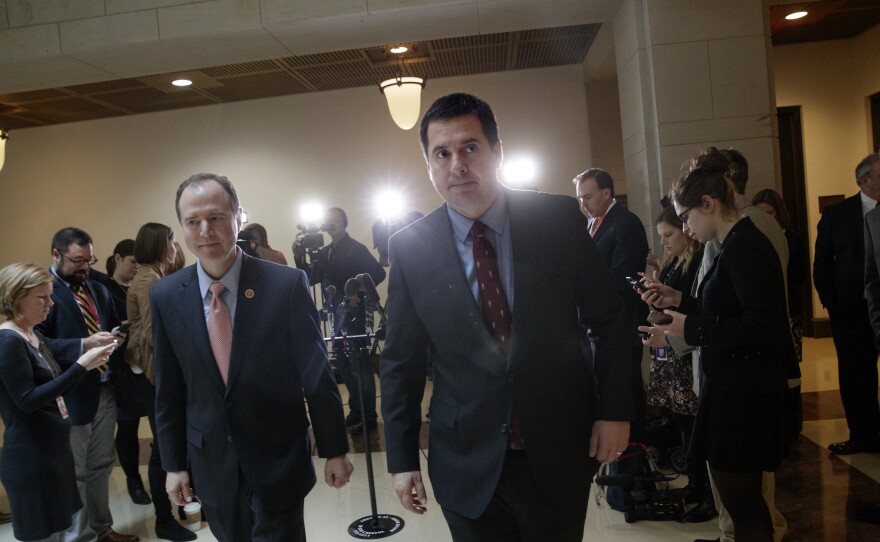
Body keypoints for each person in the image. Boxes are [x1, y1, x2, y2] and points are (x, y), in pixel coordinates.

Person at [380, 93, 632, 541]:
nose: (457, 164)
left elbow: (610, 320)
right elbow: (401, 360)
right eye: (442, 153)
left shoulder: (555, 219)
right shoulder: (410, 247)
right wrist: (401, 459)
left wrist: (615, 410)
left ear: (497, 152)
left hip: (556, 445)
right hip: (465, 457)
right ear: (428, 164)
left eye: (469, 147)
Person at [152, 173, 353, 541]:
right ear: (181, 227)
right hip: (212, 463)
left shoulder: (285, 284)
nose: (205, 231)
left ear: (238, 216)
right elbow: (169, 391)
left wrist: (334, 449)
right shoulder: (166, 296)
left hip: (277, 458)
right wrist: (174, 465)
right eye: (192, 221)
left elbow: (316, 376)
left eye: (216, 217)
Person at [641, 164, 792, 542]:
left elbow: (763, 324)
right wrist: (680, 300)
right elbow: (728, 308)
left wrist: (688, 328)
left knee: (746, 509)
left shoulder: (745, 246)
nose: (686, 227)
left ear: (707, 204)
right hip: (731, 388)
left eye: (686, 216)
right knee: (742, 506)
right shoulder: (730, 245)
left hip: (743, 395)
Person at [0, 263, 116, 542]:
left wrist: (87, 346)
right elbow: (28, 401)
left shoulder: (32, 333)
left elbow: (55, 350)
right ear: (16, 298)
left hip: (52, 453)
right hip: (32, 457)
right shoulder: (8, 341)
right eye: (42, 297)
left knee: (59, 531)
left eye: (50, 295)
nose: (50, 303)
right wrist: (81, 366)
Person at [36, 228, 139, 542]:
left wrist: (115, 337)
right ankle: (80, 537)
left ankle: (101, 529)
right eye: (78, 260)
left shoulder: (98, 288)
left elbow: (104, 328)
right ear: (56, 255)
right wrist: (82, 344)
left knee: (102, 466)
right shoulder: (44, 292)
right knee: (76, 472)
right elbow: (39, 344)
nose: (85, 266)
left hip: (105, 389)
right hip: (72, 394)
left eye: (89, 259)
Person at [639, 206, 713, 523]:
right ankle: (695, 486)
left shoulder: (698, 261)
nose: (665, 243)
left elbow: (696, 311)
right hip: (671, 348)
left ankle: (708, 492)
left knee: (697, 427)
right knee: (683, 423)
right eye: (662, 237)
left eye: (669, 235)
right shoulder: (674, 262)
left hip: (686, 350)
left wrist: (666, 323)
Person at [125, 224, 195, 541]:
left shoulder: (154, 277)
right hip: (154, 376)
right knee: (162, 449)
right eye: (171, 240)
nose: (175, 245)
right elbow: (154, 336)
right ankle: (164, 520)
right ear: (158, 245)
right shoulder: (148, 280)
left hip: (156, 373)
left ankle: (184, 507)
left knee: (171, 443)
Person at [294, 207, 386, 435]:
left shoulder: (355, 248)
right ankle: (356, 410)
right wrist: (298, 256)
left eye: (333, 221)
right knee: (344, 365)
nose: (329, 224)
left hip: (355, 315)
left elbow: (377, 273)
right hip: (335, 315)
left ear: (345, 224)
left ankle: (368, 416)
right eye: (327, 221)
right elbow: (310, 277)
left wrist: (359, 292)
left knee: (359, 365)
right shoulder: (325, 252)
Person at [574, 168, 649, 439]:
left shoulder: (626, 223)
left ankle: (637, 450)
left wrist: (581, 277)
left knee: (627, 386)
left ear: (607, 193)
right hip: (599, 321)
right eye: (580, 198)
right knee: (609, 384)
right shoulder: (590, 224)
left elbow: (625, 276)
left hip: (624, 320)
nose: (584, 203)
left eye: (588, 196)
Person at [814, 152, 880, 455]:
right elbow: (822, 265)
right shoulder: (837, 214)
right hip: (852, 311)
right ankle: (863, 437)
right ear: (864, 180)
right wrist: (833, 304)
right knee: (856, 377)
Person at [91, 239, 152, 507]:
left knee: (159, 421)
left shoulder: (144, 284)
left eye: (140, 263)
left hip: (148, 365)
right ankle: (133, 480)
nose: (136, 267)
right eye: (132, 262)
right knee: (127, 426)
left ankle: (161, 479)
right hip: (121, 367)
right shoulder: (103, 289)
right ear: (117, 258)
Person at [753, 188, 807, 441]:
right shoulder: (751, 239)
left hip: (789, 313)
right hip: (766, 311)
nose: (767, 218)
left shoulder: (792, 239)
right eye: (761, 213)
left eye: (771, 213)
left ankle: (793, 423)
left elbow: (800, 275)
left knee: (791, 369)